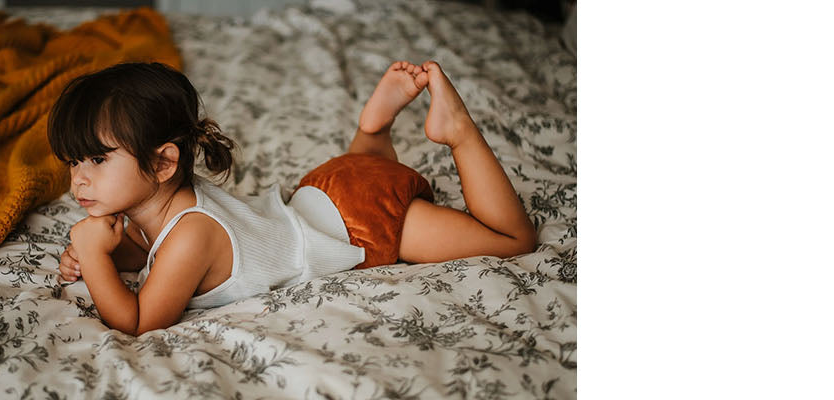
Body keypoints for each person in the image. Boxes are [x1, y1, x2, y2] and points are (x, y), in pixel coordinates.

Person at [47, 61, 538, 335]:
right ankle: (373, 131)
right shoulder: (160, 210)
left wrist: (93, 257)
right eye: (74, 162)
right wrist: (103, 255)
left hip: (360, 220)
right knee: (371, 174)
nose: (80, 181)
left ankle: (459, 133)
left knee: (511, 239)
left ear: (162, 163)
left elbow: (138, 321)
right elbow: (144, 252)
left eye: (97, 161)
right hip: (324, 189)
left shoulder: (193, 234)